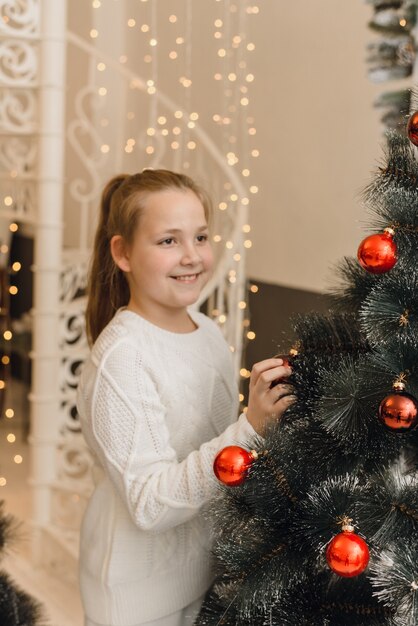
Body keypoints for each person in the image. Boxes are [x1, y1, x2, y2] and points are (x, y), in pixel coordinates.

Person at [76, 169, 294, 626]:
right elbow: (150, 503)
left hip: (206, 572)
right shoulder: (123, 359)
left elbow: (210, 439)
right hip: (140, 598)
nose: (192, 256)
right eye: (168, 241)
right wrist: (248, 427)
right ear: (123, 252)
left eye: (200, 236)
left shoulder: (209, 332)